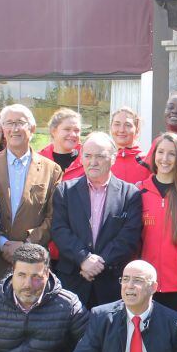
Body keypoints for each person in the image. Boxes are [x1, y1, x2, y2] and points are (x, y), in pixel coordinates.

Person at [50, 132, 143, 308]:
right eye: (88, 156)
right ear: (82, 158)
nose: (93, 162)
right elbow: (59, 230)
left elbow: (128, 237)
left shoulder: (130, 194)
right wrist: (83, 259)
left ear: (113, 158)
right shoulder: (65, 191)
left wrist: (99, 263)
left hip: (110, 283)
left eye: (100, 156)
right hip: (73, 279)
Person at [0, 104, 62, 282]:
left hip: (34, 266)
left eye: (20, 123)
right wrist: (3, 244)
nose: (14, 129)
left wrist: (26, 246)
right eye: (9, 123)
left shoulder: (51, 170)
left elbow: (54, 216)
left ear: (32, 129)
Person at [138, 132, 177, 340]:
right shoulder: (139, 192)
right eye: (160, 152)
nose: (164, 159)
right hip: (147, 286)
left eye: (171, 154)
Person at [38, 108, 84, 181]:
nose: (73, 134)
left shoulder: (88, 159)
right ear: (53, 131)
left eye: (76, 130)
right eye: (67, 129)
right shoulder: (38, 160)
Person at [109, 107, 151, 184]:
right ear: (110, 128)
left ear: (137, 129)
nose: (121, 130)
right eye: (117, 124)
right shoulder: (105, 160)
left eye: (128, 125)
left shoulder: (148, 160)